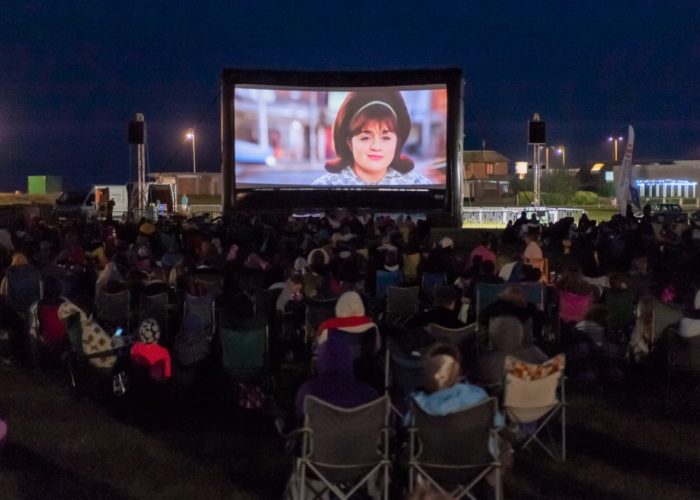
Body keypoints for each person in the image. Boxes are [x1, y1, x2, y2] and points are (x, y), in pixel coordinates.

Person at [312, 91, 431, 186]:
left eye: (385, 138)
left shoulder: (419, 185)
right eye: (365, 138)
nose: (376, 147)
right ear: (350, 143)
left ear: (397, 142)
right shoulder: (324, 187)